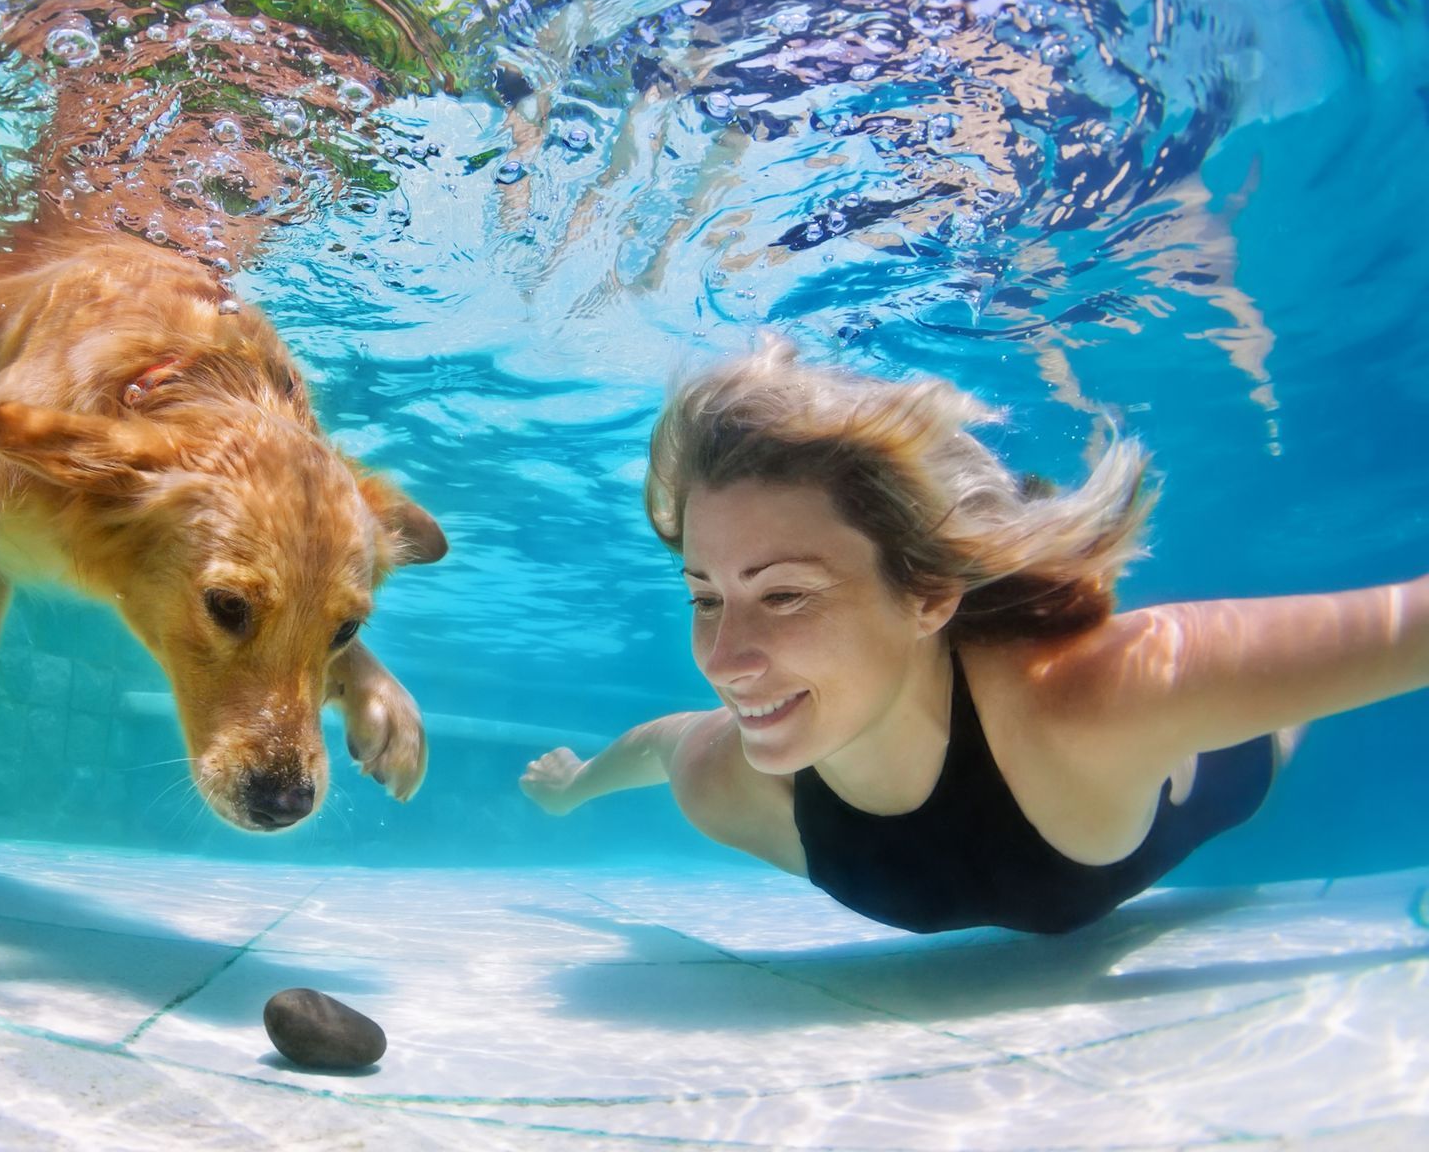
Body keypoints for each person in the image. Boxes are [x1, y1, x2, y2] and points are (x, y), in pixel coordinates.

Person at [520, 338, 1428, 934]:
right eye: (706, 597)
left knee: (1273, 712)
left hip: (1214, 764)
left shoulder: (1095, 696)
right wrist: (572, 786)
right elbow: (663, 742)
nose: (726, 661)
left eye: (786, 594)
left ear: (928, 595)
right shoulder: (729, 783)